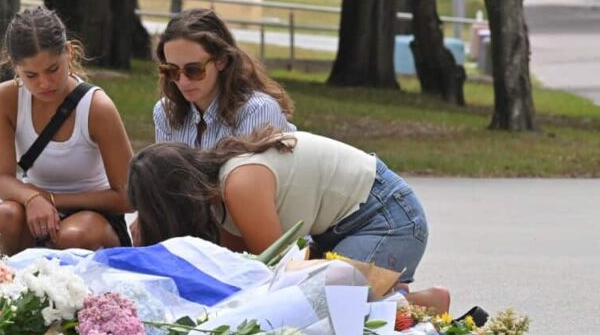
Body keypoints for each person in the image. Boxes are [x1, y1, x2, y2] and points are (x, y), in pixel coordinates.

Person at [127, 129, 449, 312]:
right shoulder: (220, 193)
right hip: (345, 227)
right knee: (326, 304)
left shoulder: (240, 185)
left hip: (388, 219)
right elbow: (234, 262)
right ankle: (386, 294)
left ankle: (418, 302)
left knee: (327, 308)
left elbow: (274, 273)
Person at [0, 7, 134, 256]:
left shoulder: (97, 107)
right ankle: (9, 290)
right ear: (15, 67)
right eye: (31, 75)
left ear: (69, 52)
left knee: (71, 236)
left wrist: (50, 200)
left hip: (95, 217)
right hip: (35, 209)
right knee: (3, 217)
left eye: (53, 69)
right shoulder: (3, 99)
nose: (44, 83)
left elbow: (129, 197)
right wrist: (32, 199)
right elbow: (2, 180)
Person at [154, 8, 296, 149]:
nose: (183, 81)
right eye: (171, 71)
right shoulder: (165, 112)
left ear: (221, 61)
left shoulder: (258, 110)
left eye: (194, 70)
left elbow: (248, 172)